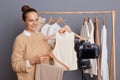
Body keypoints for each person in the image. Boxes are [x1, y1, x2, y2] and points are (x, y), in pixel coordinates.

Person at [11, 5, 51, 80]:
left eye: (36, 20)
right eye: (31, 20)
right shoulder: (20, 39)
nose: (35, 23)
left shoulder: (41, 36)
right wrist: (33, 61)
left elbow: (49, 55)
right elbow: (15, 65)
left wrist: (60, 40)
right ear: (24, 22)